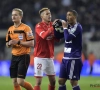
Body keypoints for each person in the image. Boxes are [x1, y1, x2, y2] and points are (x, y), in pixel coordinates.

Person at [6, 8, 34, 90]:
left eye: (15, 15)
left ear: (20, 16)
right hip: (14, 56)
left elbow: (32, 43)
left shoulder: (26, 28)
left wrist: (18, 42)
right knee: (14, 81)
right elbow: (7, 44)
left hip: (24, 56)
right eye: (12, 15)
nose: (13, 16)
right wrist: (9, 43)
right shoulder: (10, 29)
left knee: (20, 82)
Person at [33, 7, 60, 90]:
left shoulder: (52, 25)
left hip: (49, 57)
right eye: (47, 14)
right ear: (42, 16)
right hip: (40, 57)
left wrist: (59, 32)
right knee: (38, 82)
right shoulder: (38, 26)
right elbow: (44, 36)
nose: (49, 15)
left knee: (53, 81)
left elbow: (57, 40)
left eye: (50, 13)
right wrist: (52, 28)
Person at [57, 10, 83, 90]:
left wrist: (64, 27)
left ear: (75, 17)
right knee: (61, 81)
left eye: (69, 15)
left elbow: (68, 38)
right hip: (65, 58)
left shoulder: (77, 27)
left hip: (73, 57)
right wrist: (56, 25)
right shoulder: (68, 27)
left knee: (73, 82)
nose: (67, 17)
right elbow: (59, 35)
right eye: (67, 15)